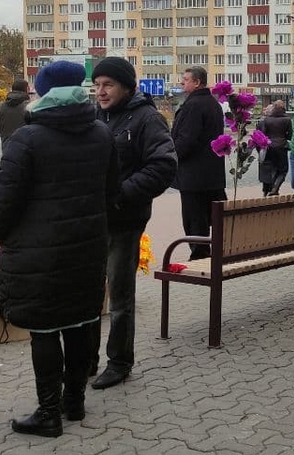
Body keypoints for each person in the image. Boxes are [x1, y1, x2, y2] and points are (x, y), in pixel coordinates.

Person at [0, 61, 119, 437]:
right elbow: (112, 192)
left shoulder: (27, 139)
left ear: (44, 92)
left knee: (45, 329)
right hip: (87, 248)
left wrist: (0, 234)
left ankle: (48, 413)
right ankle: (74, 402)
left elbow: (5, 200)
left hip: (39, 253)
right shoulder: (101, 133)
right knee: (79, 324)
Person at [92, 57, 177, 390]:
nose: (101, 91)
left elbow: (163, 166)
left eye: (108, 85)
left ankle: (119, 362)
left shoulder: (146, 118)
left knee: (120, 296)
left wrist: (122, 194)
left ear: (126, 87)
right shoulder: (96, 116)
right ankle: (86, 360)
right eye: (97, 85)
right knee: (88, 294)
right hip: (93, 220)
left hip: (124, 220)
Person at [172, 66, 227, 256]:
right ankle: (212, 253)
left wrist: (171, 157)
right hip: (212, 174)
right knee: (211, 217)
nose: (182, 82)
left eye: (186, 79)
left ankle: (199, 256)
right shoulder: (212, 103)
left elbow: (186, 140)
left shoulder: (194, 105)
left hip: (193, 175)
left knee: (194, 220)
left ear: (197, 82)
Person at [257, 99, 292, 196]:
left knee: (272, 168)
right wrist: (284, 137)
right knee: (283, 170)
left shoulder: (267, 119)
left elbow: (263, 134)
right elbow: (290, 135)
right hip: (281, 146)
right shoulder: (287, 120)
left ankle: (270, 189)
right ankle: (275, 188)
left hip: (269, 146)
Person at [0, 78, 32, 145]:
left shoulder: (1, 107)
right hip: (25, 145)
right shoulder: (29, 107)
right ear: (26, 89)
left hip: (7, 146)